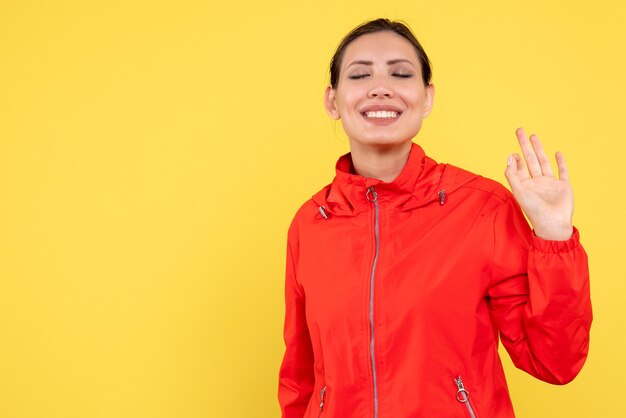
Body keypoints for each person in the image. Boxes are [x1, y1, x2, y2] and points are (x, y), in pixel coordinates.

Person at [278, 18, 591, 418]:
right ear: (332, 101)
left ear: (427, 98)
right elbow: (299, 378)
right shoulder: (311, 223)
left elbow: (555, 362)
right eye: (359, 74)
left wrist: (554, 237)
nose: (380, 86)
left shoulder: (482, 208)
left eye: (400, 73)